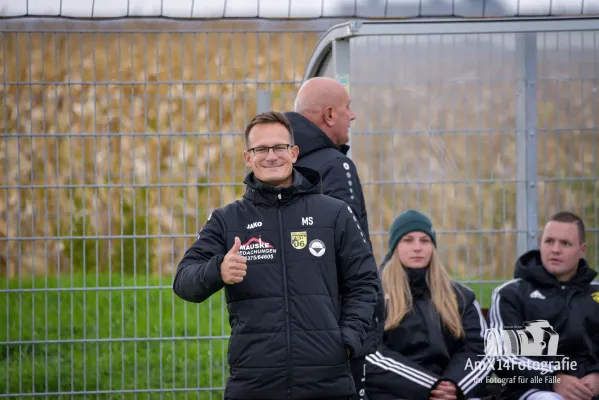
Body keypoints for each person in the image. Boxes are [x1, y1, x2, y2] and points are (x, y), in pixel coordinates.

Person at [172, 111, 381, 400]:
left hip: (327, 381)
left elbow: (365, 283)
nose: (271, 156)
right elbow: (183, 281)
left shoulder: (333, 213)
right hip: (254, 381)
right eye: (261, 149)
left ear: (294, 153)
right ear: (248, 158)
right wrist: (218, 269)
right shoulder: (227, 220)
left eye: (279, 147)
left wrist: (346, 341)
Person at [285, 77, 385, 400]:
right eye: (347, 107)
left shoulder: (276, 165)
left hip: (291, 330)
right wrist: (352, 333)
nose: (352, 116)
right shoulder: (336, 166)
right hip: (336, 334)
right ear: (329, 115)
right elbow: (351, 256)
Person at [365, 210, 493, 400]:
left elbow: (481, 349)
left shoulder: (461, 297)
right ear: (395, 247)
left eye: (425, 240)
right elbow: (369, 354)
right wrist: (430, 386)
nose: (417, 247)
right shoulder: (373, 295)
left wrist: (455, 384)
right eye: (408, 240)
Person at [487, 211, 599, 400]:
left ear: (582, 250)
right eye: (549, 241)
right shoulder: (511, 295)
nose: (555, 249)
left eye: (565, 243)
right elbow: (503, 356)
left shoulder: (595, 295)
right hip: (533, 390)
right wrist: (552, 378)